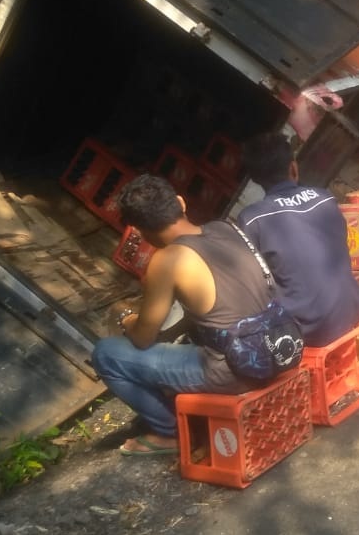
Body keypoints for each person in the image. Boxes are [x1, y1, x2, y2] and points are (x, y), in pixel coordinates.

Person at [92, 174, 272, 456]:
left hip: (234, 370)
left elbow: (142, 338)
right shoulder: (225, 228)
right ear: (180, 203)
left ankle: (170, 432)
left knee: (106, 353)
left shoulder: (167, 260)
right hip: (274, 349)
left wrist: (125, 317)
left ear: (138, 230)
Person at [237, 132, 359, 347]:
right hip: (353, 310)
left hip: (307, 331)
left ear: (255, 179)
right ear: (293, 168)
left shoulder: (251, 219)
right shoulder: (325, 197)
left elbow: (251, 285)